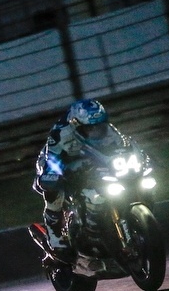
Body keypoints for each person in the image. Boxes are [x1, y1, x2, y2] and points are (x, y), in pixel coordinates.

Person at [33, 98, 130, 258]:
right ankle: (54, 236)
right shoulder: (61, 133)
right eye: (90, 128)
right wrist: (52, 176)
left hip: (90, 161)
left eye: (99, 126)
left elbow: (126, 145)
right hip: (60, 161)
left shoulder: (108, 129)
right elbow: (52, 159)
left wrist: (142, 158)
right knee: (54, 191)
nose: (96, 131)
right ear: (76, 124)